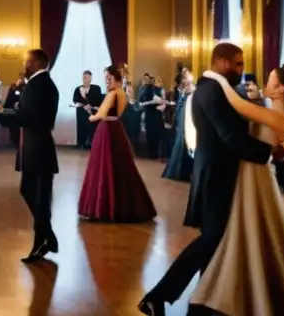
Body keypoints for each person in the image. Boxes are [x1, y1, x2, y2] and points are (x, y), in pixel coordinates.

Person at [138, 43, 276, 316]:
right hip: (216, 176)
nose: (241, 69)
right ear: (222, 62)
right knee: (211, 240)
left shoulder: (213, 89)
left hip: (214, 173)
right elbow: (231, 137)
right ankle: (158, 296)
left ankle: (200, 308)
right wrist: (271, 153)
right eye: (237, 64)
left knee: (214, 242)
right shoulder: (213, 92)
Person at [187, 64, 284, 316]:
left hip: (255, 179)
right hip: (253, 176)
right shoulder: (273, 111)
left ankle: (240, 300)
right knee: (252, 236)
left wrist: (215, 78)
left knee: (249, 234)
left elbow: (237, 105)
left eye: (271, 81)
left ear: (282, 89)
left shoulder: (277, 115)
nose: (266, 83)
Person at [78, 65, 156, 223]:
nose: (106, 80)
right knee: (120, 167)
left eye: (109, 77)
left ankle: (104, 207)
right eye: (106, 77)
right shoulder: (122, 92)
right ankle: (125, 206)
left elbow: (100, 114)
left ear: (115, 77)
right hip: (116, 129)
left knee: (103, 167)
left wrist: (90, 116)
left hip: (106, 131)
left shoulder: (113, 93)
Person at [17, 48, 60, 263]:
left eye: (26, 62)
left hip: (39, 149)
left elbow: (31, 117)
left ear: (36, 63)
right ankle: (47, 236)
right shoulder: (40, 84)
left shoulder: (39, 85)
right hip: (36, 148)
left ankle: (42, 241)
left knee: (40, 198)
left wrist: (7, 116)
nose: (24, 65)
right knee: (29, 191)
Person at [162, 70, 195, 182]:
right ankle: (180, 172)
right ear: (184, 80)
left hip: (185, 115)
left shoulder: (188, 88)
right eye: (187, 76)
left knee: (184, 142)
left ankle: (182, 172)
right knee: (182, 141)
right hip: (185, 116)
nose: (190, 76)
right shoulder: (189, 88)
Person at [72, 70, 103, 149]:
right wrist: (83, 104)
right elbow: (75, 100)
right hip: (82, 111)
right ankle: (81, 143)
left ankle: (91, 142)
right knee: (81, 116)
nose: (86, 79)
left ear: (91, 79)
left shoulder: (96, 88)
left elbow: (99, 100)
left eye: (88, 78)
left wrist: (89, 103)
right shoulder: (78, 89)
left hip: (93, 110)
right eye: (84, 78)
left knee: (92, 122)